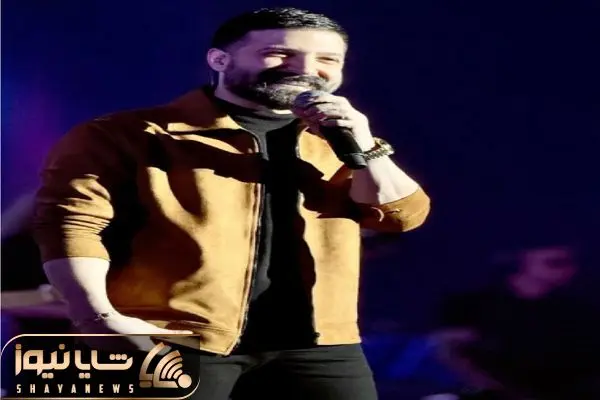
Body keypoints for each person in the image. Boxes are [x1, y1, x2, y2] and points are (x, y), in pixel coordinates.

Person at [33, 7, 431, 399]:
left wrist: (365, 146)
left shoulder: (339, 142)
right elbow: (72, 226)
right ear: (219, 60)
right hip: (173, 334)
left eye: (327, 60)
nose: (305, 69)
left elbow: (402, 217)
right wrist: (97, 317)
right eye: (280, 53)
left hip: (321, 344)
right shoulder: (128, 134)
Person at [429, 243, 600, 400]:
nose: (569, 270)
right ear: (520, 262)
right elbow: (447, 354)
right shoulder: (471, 305)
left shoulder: (579, 312)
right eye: (554, 263)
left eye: (571, 263)